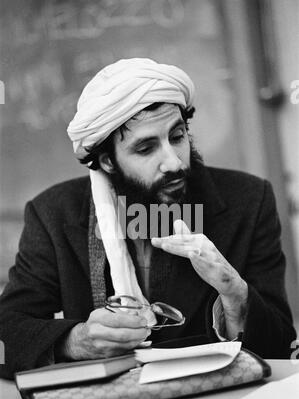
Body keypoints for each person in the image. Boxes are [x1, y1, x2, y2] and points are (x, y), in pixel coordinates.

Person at [0, 58, 296, 379]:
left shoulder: (249, 200)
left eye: (178, 136)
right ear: (108, 162)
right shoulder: (54, 213)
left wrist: (234, 290)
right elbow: (10, 327)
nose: (173, 162)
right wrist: (76, 341)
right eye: (146, 149)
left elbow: (279, 345)